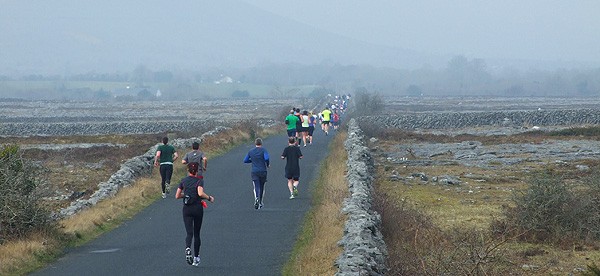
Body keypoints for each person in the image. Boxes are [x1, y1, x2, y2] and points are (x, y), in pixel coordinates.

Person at [175, 162, 215, 267]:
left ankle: (188, 247)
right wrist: (209, 197)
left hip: (187, 209)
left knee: (189, 233)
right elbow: (200, 193)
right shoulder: (199, 181)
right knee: (197, 233)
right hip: (197, 208)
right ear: (197, 171)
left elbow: (177, 195)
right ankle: (196, 258)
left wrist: (186, 194)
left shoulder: (183, 181)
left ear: (188, 170)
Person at [243, 138, 270, 209]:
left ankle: (256, 198)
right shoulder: (264, 150)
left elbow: (245, 160)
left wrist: (252, 161)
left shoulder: (251, 151)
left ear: (255, 143)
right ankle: (260, 202)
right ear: (261, 143)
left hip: (254, 171)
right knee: (262, 187)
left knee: (256, 186)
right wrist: (267, 164)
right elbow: (266, 158)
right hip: (263, 171)